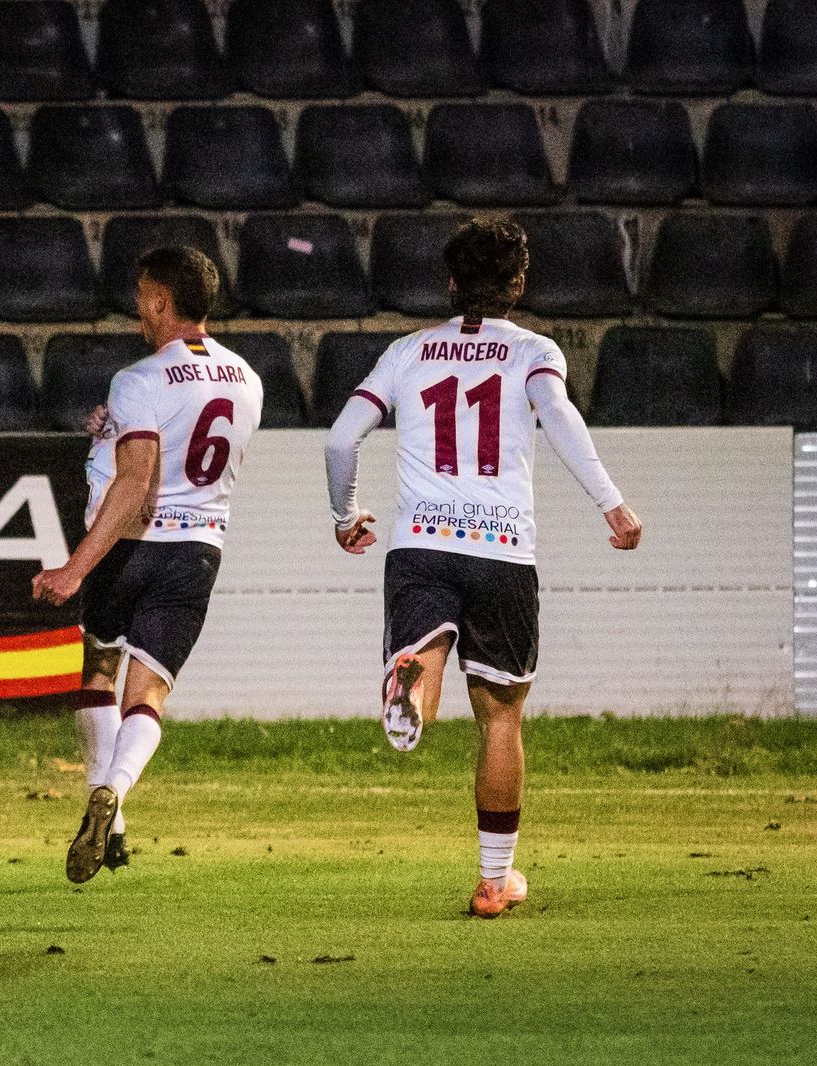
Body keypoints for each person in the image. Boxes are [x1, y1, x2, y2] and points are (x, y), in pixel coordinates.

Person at [323, 217, 642, 918]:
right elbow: (557, 416)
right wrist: (611, 503)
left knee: (427, 652)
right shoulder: (532, 351)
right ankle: (495, 882)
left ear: (449, 282)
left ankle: (413, 674)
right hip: (501, 549)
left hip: (420, 543)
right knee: (500, 716)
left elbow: (342, 438)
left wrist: (345, 515)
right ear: (518, 284)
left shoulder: (407, 352)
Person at [33, 247, 263, 885]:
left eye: (142, 295)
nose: (137, 307)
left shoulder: (139, 378)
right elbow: (190, 441)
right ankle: (115, 793)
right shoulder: (248, 379)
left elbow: (136, 482)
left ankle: (108, 809)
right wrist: (110, 430)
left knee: (100, 671)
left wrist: (75, 568)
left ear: (162, 301)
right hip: (197, 551)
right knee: (149, 695)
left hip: (130, 548)